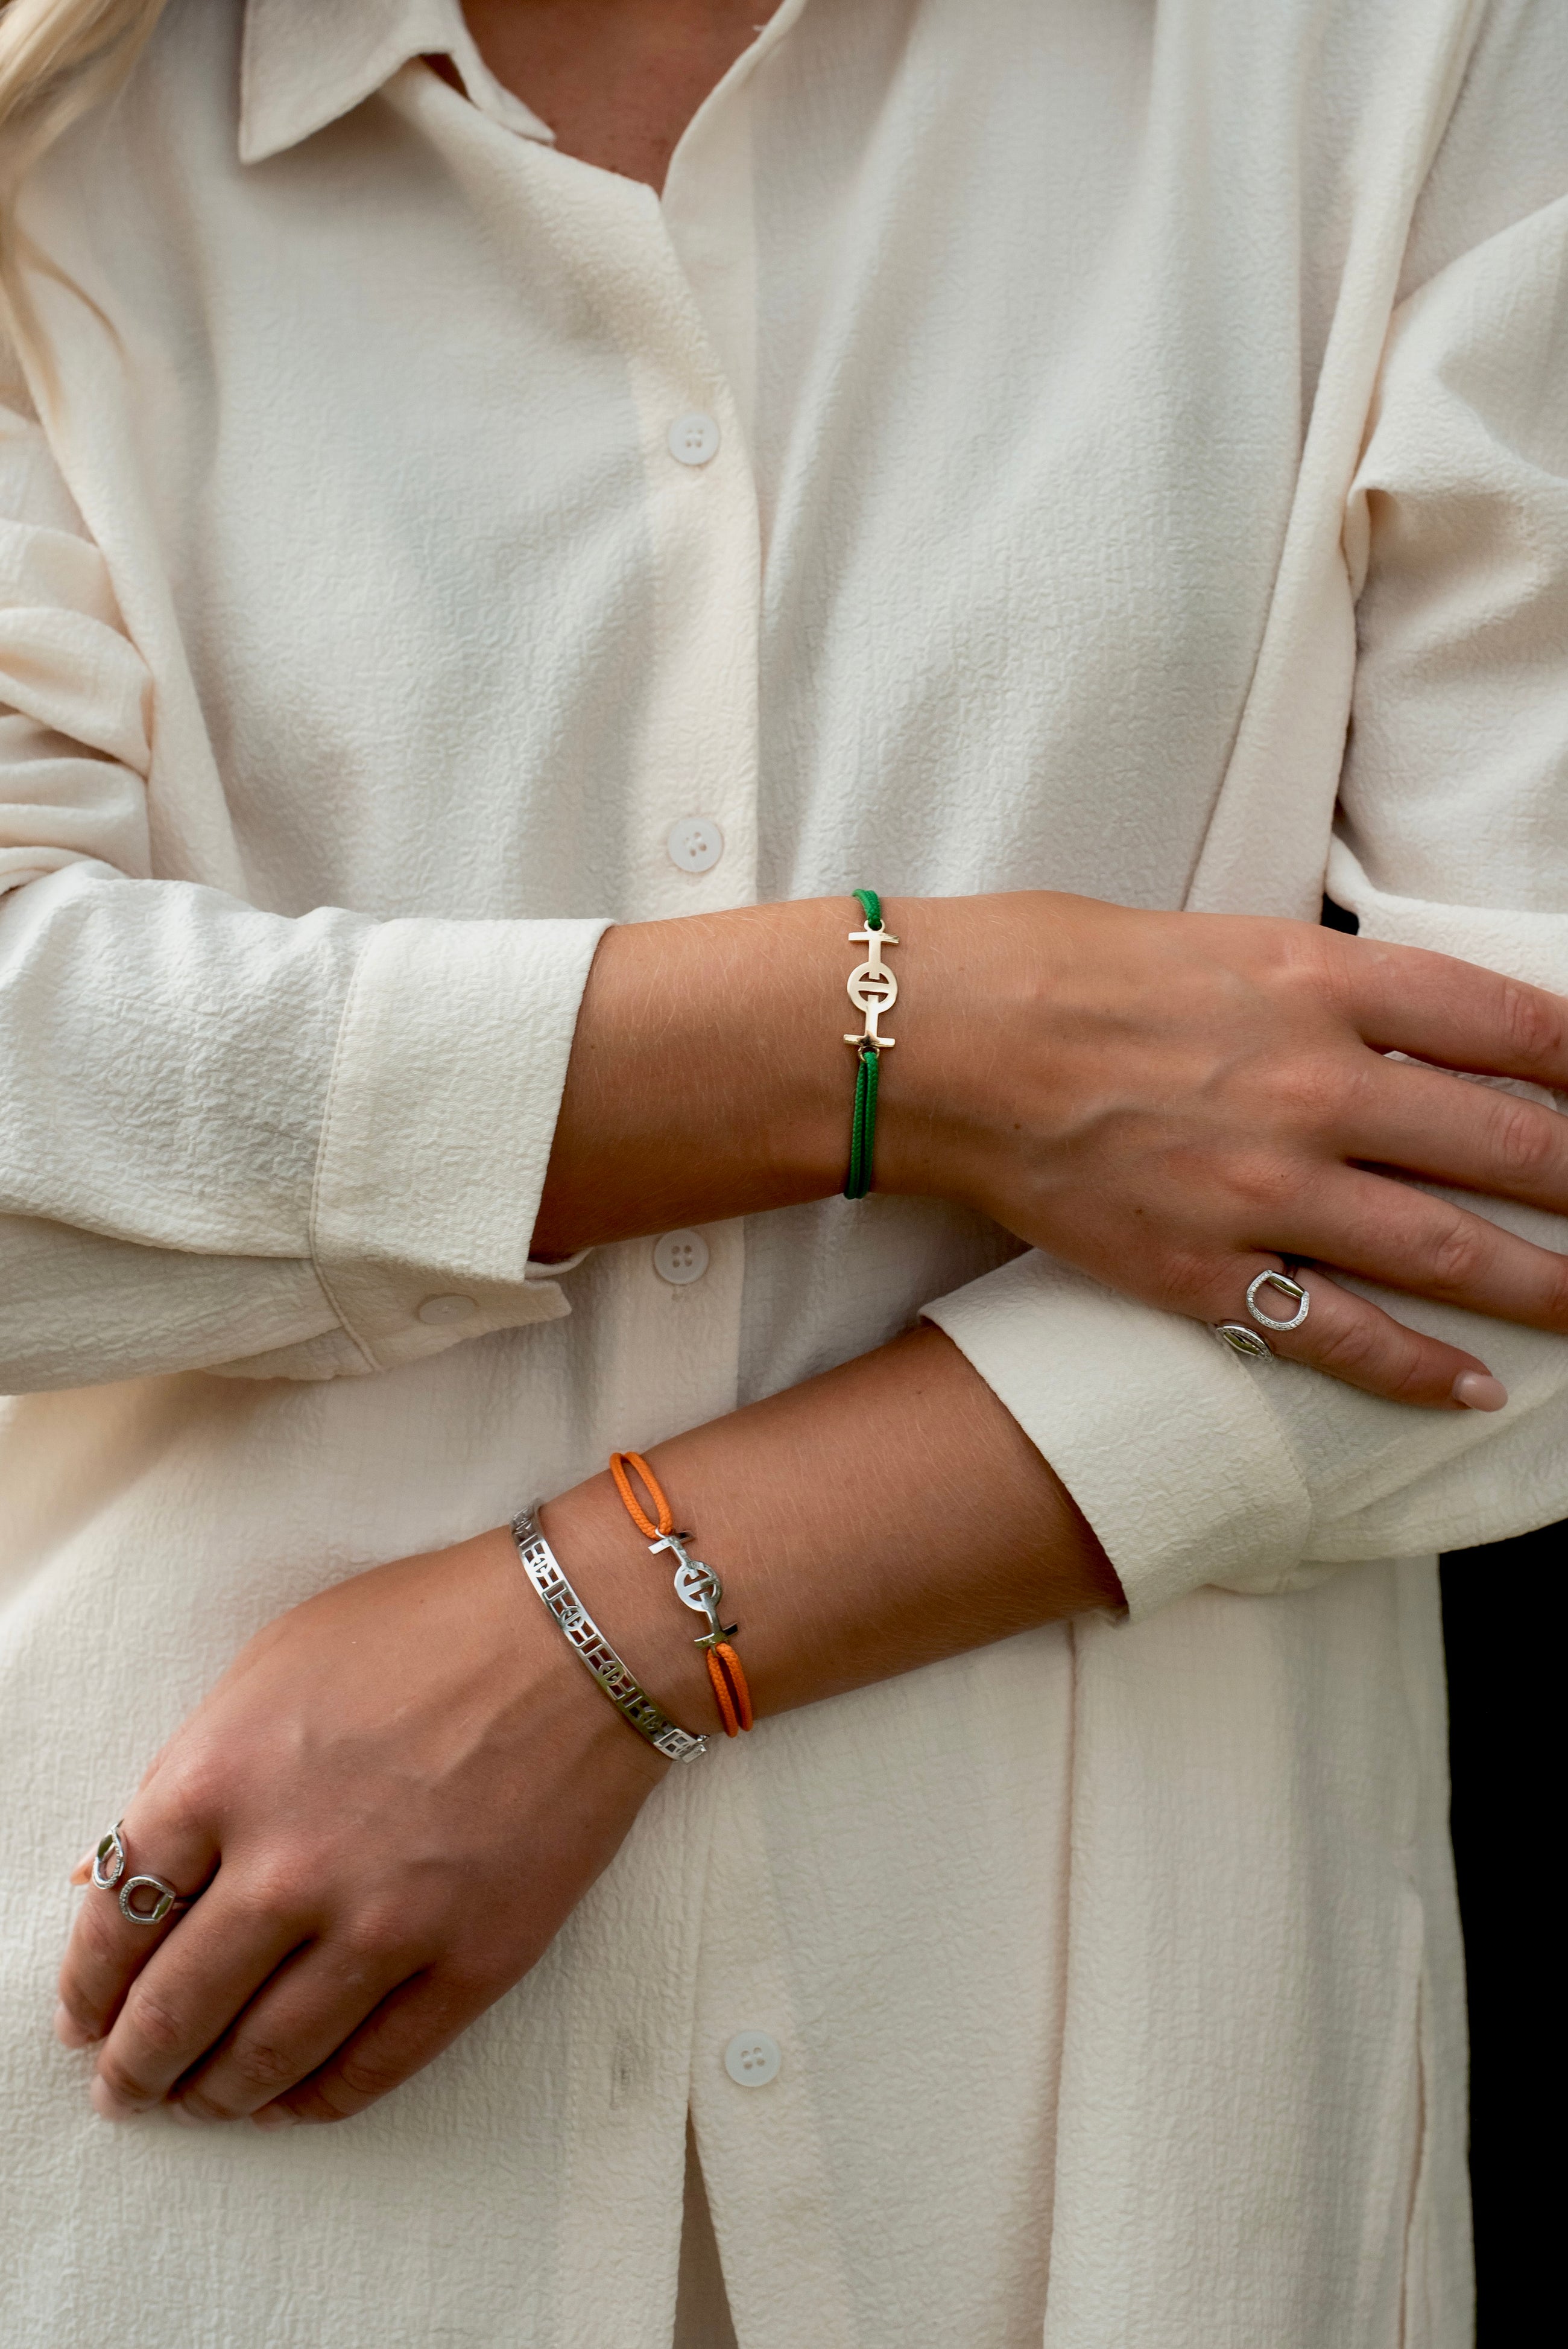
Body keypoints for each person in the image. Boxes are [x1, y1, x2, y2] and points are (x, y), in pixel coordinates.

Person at [2, 0, 1565, 2341]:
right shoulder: (60, 135)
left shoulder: (1396, 53)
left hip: (1100, 2147)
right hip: (174, 2141)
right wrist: (914, 1033)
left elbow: (1516, 1190)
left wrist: (607, 1619)